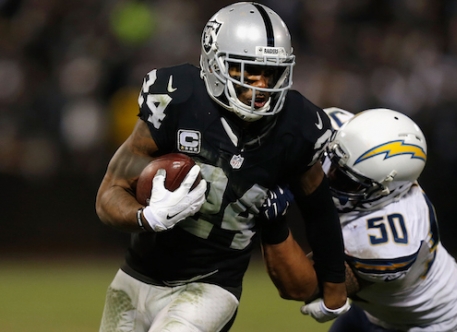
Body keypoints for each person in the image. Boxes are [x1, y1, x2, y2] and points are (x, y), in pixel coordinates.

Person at [95, 2, 349, 332]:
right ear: (215, 63)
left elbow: (319, 211)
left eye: (270, 72)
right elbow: (110, 193)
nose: (260, 85)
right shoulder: (178, 97)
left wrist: (335, 291)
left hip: (212, 284)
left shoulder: (297, 124)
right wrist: (147, 217)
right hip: (137, 274)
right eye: (247, 70)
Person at [261, 107, 457, 331]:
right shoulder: (346, 132)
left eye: (345, 179)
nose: (328, 174)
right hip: (375, 312)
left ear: (385, 190)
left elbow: (302, 287)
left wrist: (273, 221)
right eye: (331, 159)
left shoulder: (387, 240)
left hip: (436, 322)